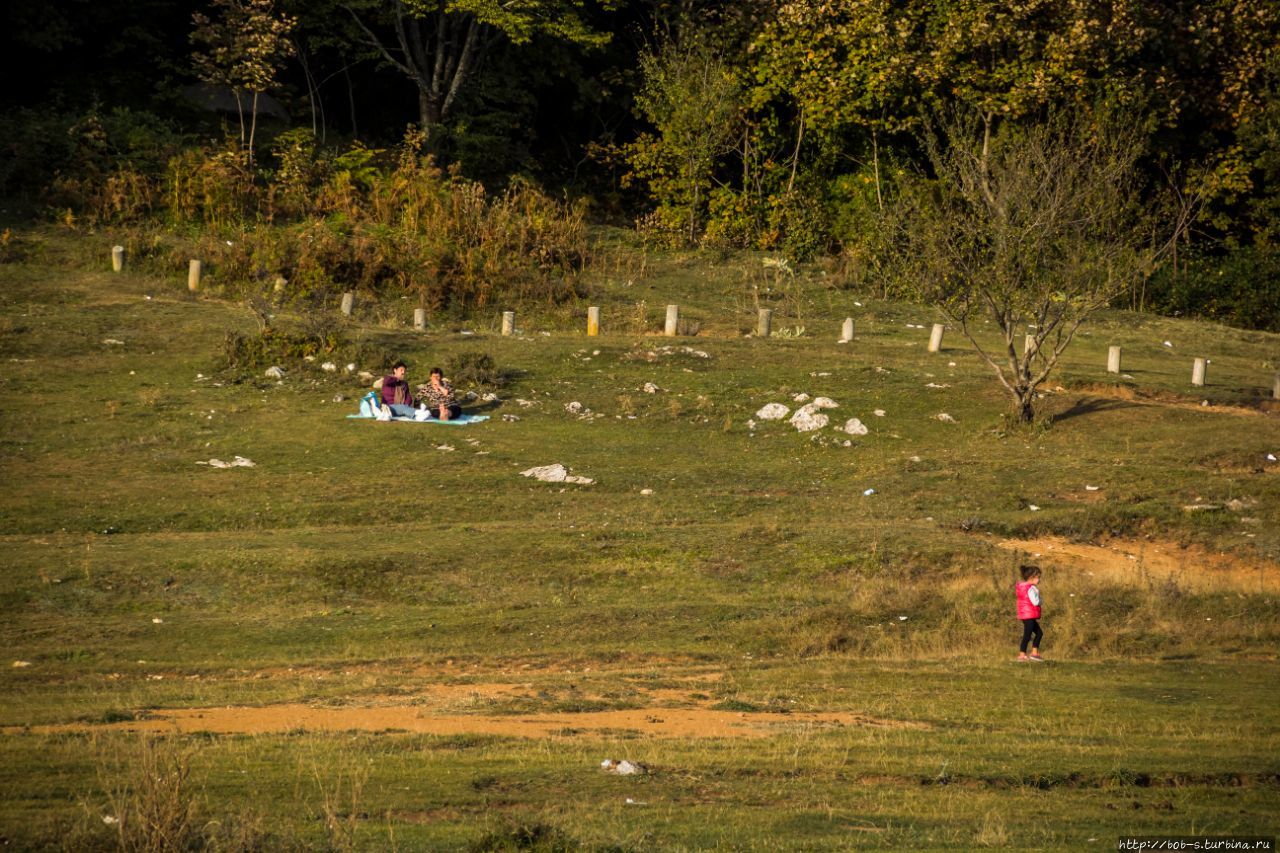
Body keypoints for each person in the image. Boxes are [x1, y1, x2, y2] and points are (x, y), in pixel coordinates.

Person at [1016, 565, 1045, 662]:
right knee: (1028, 635)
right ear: (1031, 577)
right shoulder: (1031, 589)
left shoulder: (1022, 587)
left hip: (1026, 615)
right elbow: (1036, 602)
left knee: (1038, 633)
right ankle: (1022, 655)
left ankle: (1034, 653)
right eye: (1038, 577)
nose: (1039, 580)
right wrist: (1041, 600)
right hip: (1029, 615)